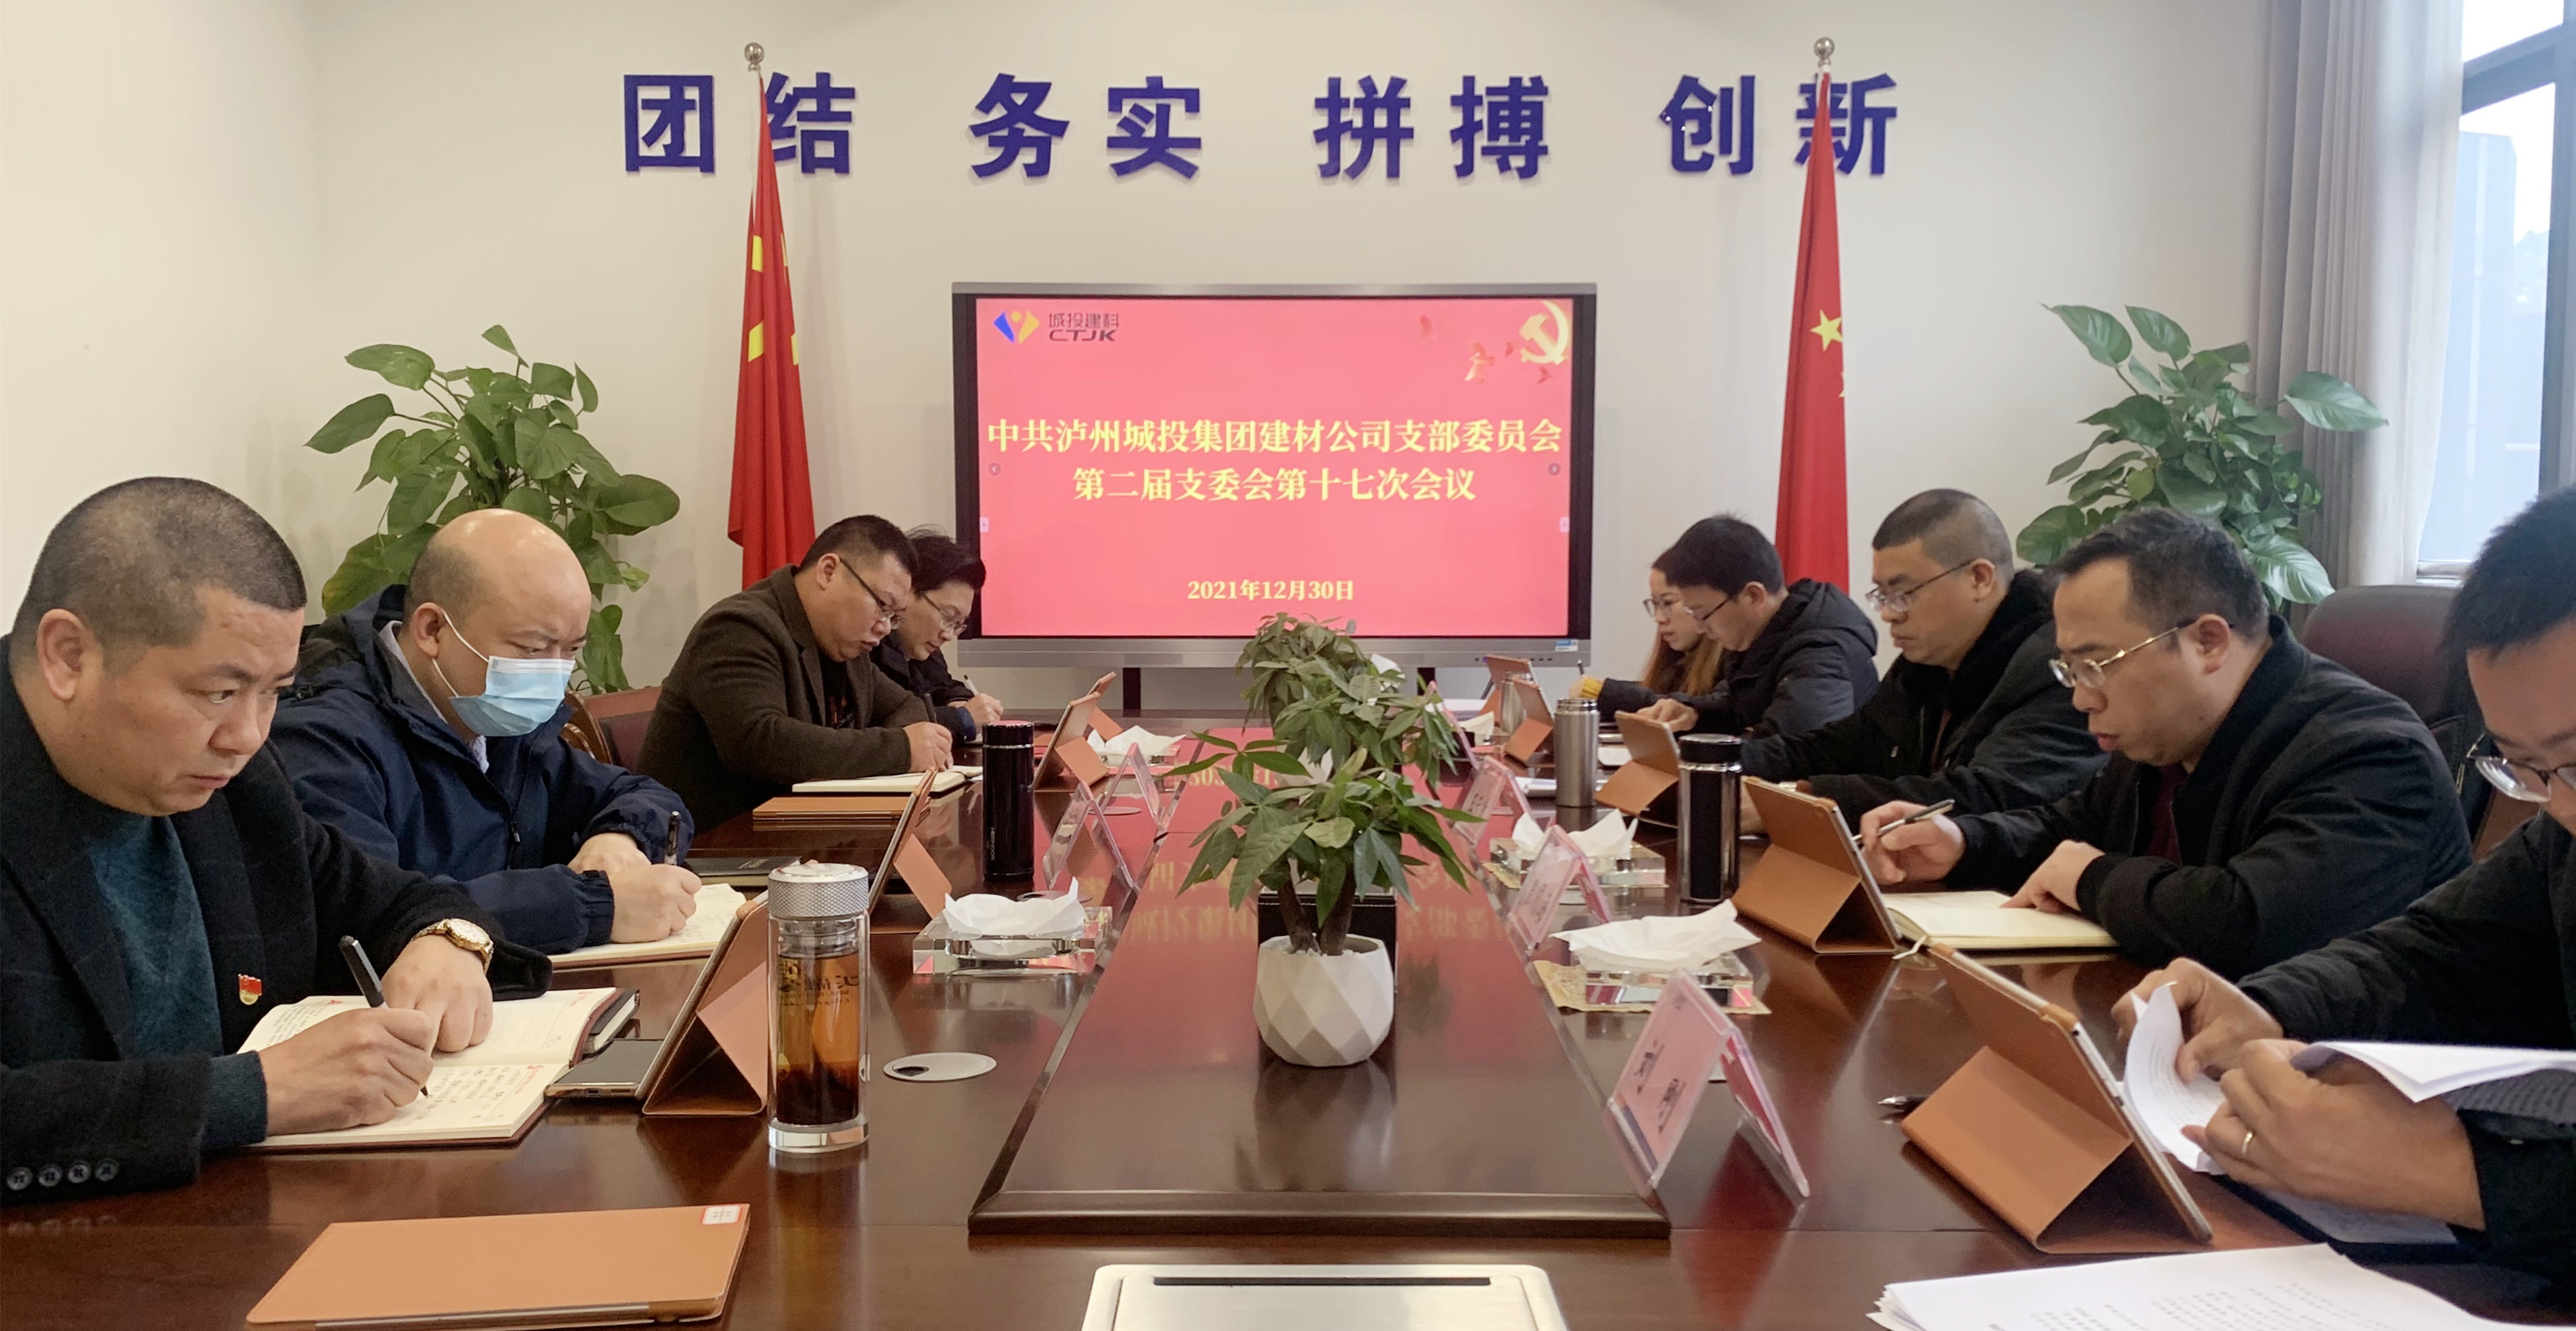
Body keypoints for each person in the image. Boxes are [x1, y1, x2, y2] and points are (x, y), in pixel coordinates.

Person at [3, 479, 546, 1205]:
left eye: (273, 693)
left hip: (248, 1216)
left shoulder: (237, 782)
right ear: (70, 655)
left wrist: (448, 942)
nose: (248, 735)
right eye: (218, 693)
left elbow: (391, 899)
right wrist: (254, 1093)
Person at [2115, 488, 2576, 1283]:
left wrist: (2458, 1177)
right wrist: (2270, 1006)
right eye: (2527, 767)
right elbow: (2434, 954)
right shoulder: (2562, 833)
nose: (2560, 806)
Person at [1861, 508, 2468, 977]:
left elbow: (2248, 925)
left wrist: (2092, 878)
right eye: (2070, 670)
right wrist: (1962, 841)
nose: (2081, 698)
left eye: (2097, 664)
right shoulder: (2168, 732)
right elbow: (2074, 827)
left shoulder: (2372, 756)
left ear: (2207, 642)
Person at [268, 510, 703, 956]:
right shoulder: (326, 739)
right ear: (433, 630)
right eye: (531, 648)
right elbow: (377, 914)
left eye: (570, 650)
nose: (553, 674)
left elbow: (644, 796)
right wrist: (595, 906)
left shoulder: (495, 716)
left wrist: (619, 838)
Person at [1739, 490, 2105, 822]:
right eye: (1882, 595)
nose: (1889, 614)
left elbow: (1987, 797)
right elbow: (1841, 746)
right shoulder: (1925, 665)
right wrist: (1724, 761)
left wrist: (1799, 800)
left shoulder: (2056, 670)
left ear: (1979, 578)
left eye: (1904, 593)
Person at [639, 515, 949, 830]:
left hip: (798, 832)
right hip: (714, 845)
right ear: (829, 571)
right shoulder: (740, 627)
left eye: (894, 617)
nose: (884, 628)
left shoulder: (845, 644)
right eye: (882, 606)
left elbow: (907, 706)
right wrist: (899, 750)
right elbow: (760, 742)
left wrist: (901, 750)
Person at [1626, 516, 1879, 739]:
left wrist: (1701, 754)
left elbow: (1794, 751)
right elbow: (1736, 706)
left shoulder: (1820, 651)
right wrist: (1694, 714)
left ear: (1753, 596)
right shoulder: (1759, 637)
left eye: (1703, 614)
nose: (1702, 629)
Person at [874, 528, 1006, 740]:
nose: (948, 635)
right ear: (907, 590)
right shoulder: (867, 646)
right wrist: (961, 719)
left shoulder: (922, 651)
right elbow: (884, 725)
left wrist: (960, 702)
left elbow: (943, 686)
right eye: (948, 616)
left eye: (957, 625)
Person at [1581, 566, 1725, 718]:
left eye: (1668, 603)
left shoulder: (1733, 663)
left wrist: (1605, 693)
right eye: (1655, 604)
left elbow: (1715, 709)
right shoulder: (1678, 663)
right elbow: (1659, 696)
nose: (1659, 618)